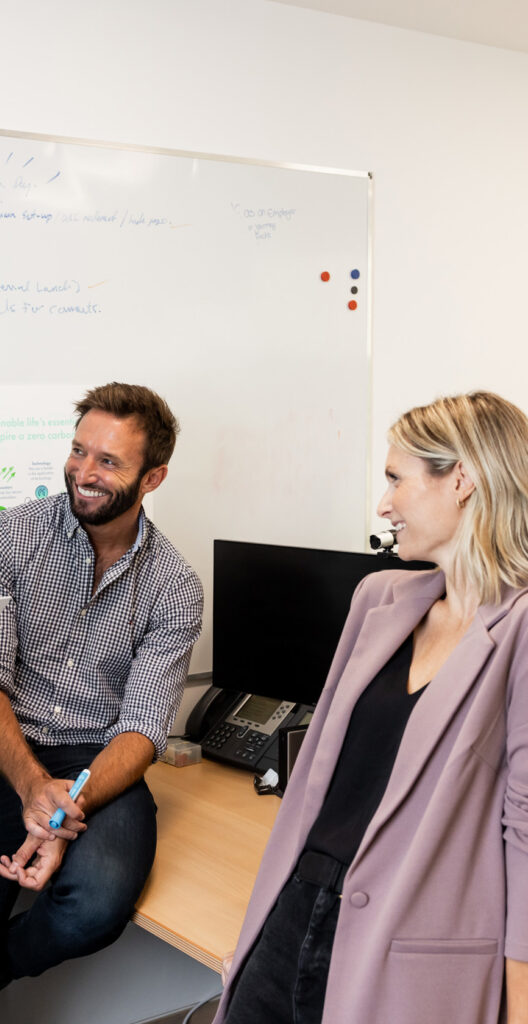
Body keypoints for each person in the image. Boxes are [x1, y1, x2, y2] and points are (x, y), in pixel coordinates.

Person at [214, 391, 528, 1024]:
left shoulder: (519, 629)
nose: (383, 504)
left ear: (462, 479)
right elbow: (315, 781)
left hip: (405, 943)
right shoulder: (379, 598)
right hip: (295, 907)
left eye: (395, 479)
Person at [0, 382, 204, 1023]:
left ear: (153, 477)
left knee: (95, 907)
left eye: (109, 461)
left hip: (100, 763)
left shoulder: (176, 584)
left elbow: (143, 729)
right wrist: (34, 786)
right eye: (78, 451)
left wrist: (67, 803)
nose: (84, 473)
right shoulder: (5, 538)